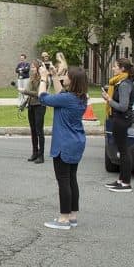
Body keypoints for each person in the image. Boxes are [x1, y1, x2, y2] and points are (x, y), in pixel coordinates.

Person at [38, 63, 89, 230]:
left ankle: (63, 219)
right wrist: (54, 76)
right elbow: (61, 94)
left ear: (72, 81)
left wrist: (44, 78)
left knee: (63, 181)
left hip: (64, 143)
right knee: (71, 179)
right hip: (76, 142)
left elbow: (43, 98)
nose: (64, 77)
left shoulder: (67, 99)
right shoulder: (80, 97)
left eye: (67, 75)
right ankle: (72, 216)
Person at [102, 58, 134, 193]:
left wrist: (109, 100)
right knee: (121, 150)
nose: (113, 68)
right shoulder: (120, 82)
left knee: (123, 151)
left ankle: (126, 183)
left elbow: (123, 106)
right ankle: (121, 180)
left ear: (122, 68)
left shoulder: (124, 84)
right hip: (119, 118)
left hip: (122, 119)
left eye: (115, 66)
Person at [18, 66, 46, 163]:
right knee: (33, 131)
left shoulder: (43, 79)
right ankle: (35, 152)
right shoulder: (31, 78)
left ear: (38, 68)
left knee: (39, 131)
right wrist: (24, 104)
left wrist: (25, 91)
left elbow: (39, 93)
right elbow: (29, 95)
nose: (32, 69)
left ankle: (41, 155)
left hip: (40, 105)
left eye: (34, 67)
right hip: (31, 105)